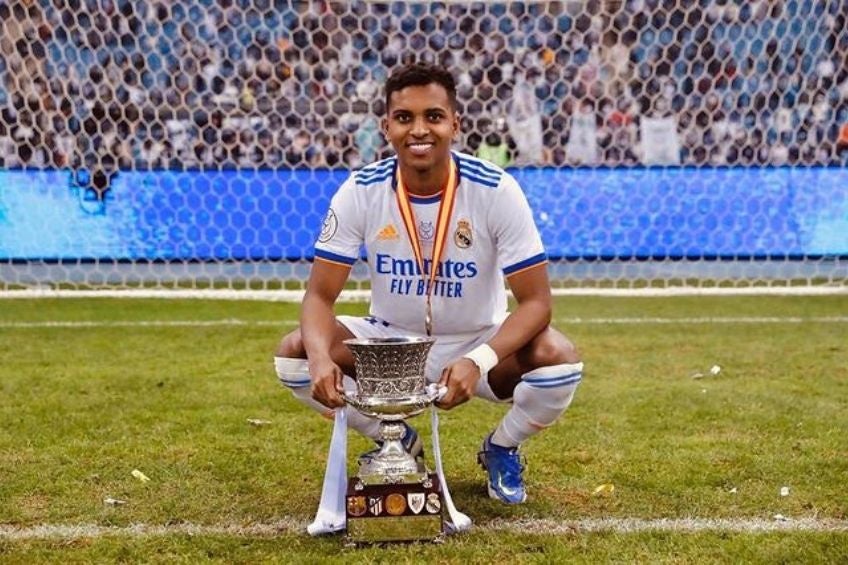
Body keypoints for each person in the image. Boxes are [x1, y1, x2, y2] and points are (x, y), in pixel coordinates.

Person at [273, 62, 583, 505]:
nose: (420, 130)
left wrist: (479, 358)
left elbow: (537, 304)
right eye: (405, 118)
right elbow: (319, 296)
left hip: (480, 340)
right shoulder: (360, 191)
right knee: (295, 355)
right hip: (390, 346)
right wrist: (322, 359)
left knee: (559, 360)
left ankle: (501, 447)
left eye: (433, 116)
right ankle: (395, 439)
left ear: (455, 124)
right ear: (386, 127)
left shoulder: (497, 190)